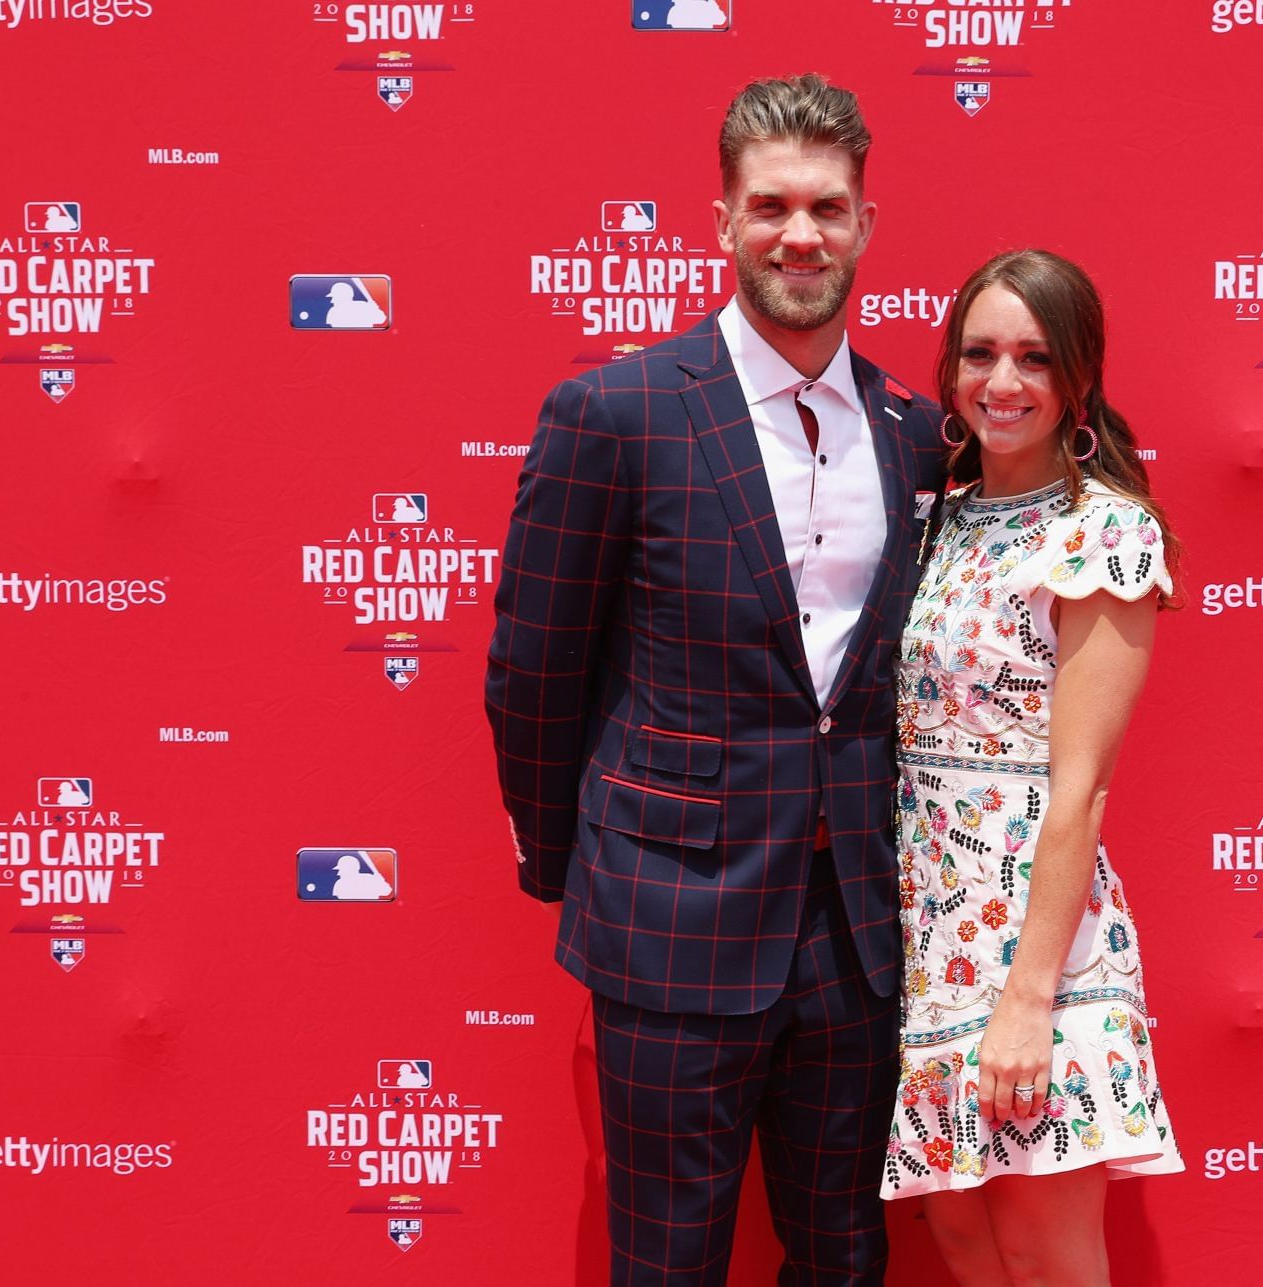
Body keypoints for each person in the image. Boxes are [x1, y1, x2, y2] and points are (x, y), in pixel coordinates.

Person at [485, 74, 946, 1285]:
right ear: (724, 221)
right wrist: (582, 866)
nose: (802, 235)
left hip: (858, 933)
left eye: (828, 208)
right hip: (667, 924)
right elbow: (534, 668)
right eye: (773, 206)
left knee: (845, 1259)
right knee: (668, 1265)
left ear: (866, 224)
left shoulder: (914, 430)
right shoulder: (616, 412)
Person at [882, 249, 1183, 1286]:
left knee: (1044, 1254)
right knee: (966, 1245)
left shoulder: (1104, 532)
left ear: (1079, 379)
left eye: (1035, 358)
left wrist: (1027, 999)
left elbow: (1082, 789)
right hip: (927, 948)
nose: (1002, 382)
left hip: (1035, 951)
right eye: (980, 354)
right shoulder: (936, 519)